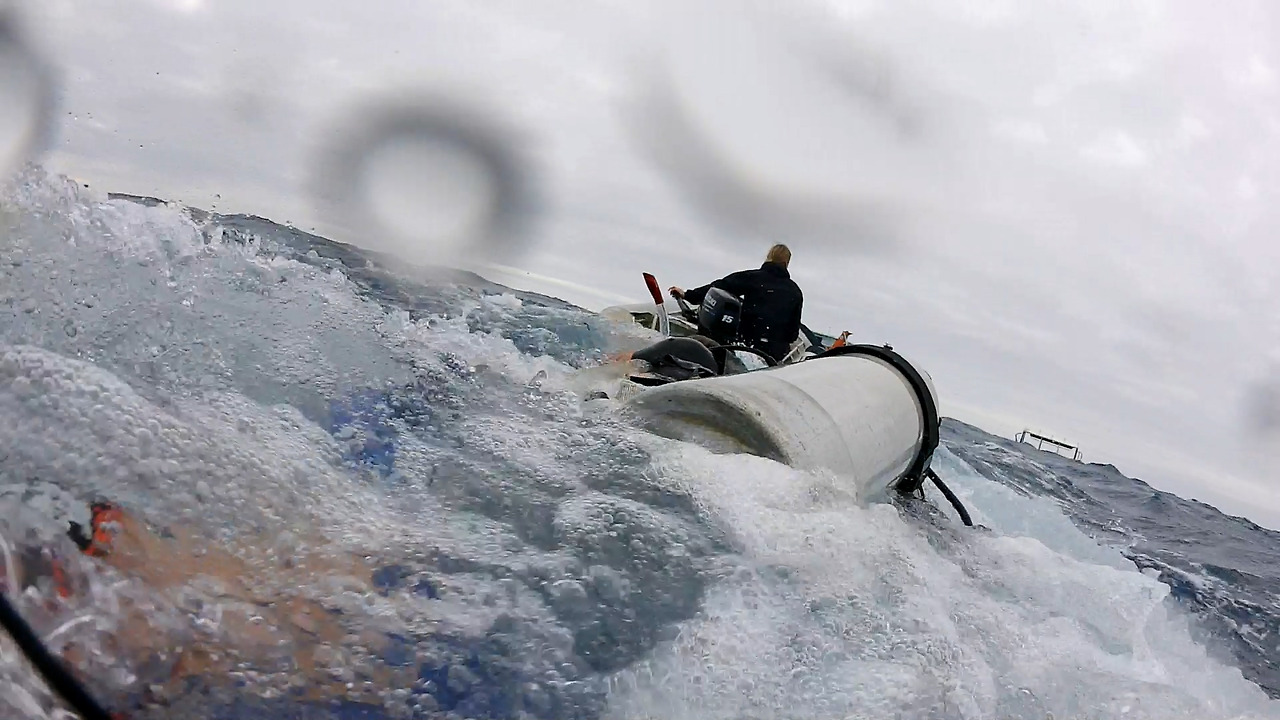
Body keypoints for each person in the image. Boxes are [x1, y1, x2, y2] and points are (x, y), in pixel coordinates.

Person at [669, 244, 804, 363]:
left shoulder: (752, 278)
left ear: (769, 257)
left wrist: (688, 295)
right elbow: (792, 334)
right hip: (775, 355)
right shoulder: (795, 292)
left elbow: (720, 286)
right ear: (786, 263)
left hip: (747, 347)